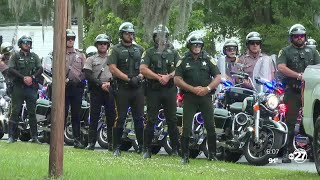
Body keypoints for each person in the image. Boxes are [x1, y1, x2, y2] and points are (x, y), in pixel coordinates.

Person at [174, 32, 221, 164]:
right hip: (190, 96)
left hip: (205, 96)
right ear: (189, 45)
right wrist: (191, 88)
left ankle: (212, 154)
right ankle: (185, 156)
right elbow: (177, 79)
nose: (197, 47)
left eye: (199, 45)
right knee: (187, 126)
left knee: (210, 125)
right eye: (194, 45)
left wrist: (207, 88)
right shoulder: (183, 60)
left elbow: (218, 77)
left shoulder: (207, 59)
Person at [277, 24, 320, 163]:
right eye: (296, 36)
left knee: (313, 120)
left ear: (305, 37)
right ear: (291, 37)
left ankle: (314, 153)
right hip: (293, 90)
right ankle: (287, 152)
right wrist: (298, 76)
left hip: (309, 92)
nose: (299, 38)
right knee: (290, 122)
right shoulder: (285, 51)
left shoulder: (313, 52)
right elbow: (281, 67)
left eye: (302, 35)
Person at [140, 24, 180, 158]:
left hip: (169, 90)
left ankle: (175, 149)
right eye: (158, 36)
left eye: (164, 36)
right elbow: (143, 69)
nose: (161, 39)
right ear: (155, 38)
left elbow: (180, 69)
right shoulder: (149, 52)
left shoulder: (174, 53)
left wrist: (168, 76)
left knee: (172, 120)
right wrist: (158, 77)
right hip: (154, 90)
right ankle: (147, 150)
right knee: (151, 119)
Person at [108, 22, 145, 157]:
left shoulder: (140, 49)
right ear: (121, 34)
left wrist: (139, 77)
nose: (129, 36)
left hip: (137, 88)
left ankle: (141, 146)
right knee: (120, 117)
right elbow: (112, 68)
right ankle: (116, 147)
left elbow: (145, 67)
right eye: (127, 33)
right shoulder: (115, 50)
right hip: (122, 88)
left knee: (139, 117)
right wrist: (128, 78)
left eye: (131, 33)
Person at [7, 35, 43, 143]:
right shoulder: (15, 56)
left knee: (32, 112)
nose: (27, 44)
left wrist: (32, 77)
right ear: (20, 44)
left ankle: (34, 137)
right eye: (25, 42)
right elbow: (11, 69)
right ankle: (11, 136)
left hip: (30, 88)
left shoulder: (34, 56)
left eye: (29, 42)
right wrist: (23, 78)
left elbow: (40, 68)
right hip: (18, 87)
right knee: (15, 111)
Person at [83, 34, 115, 151]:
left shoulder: (112, 58)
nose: (102, 45)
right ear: (97, 45)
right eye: (100, 43)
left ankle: (112, 143)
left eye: (105, 43)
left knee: (111, 116)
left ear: (108, 45)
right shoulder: (91, 59)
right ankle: (91, 142)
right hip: (96, 89)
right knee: (94, 116)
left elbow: (117, 73)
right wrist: (100, 84)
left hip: (109, 89)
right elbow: (87, 74)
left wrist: (110, 84)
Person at [65, 29, 86, 149]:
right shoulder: (58, 53)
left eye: (72, 38)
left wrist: (79, 79)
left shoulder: (80, 55)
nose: (70, 40)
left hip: (76, 88)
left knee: (76, 114)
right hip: (63, 87)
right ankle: (58, 139)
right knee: (62, 113)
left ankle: (77, 139)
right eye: (68, 38)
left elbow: (86, 71)